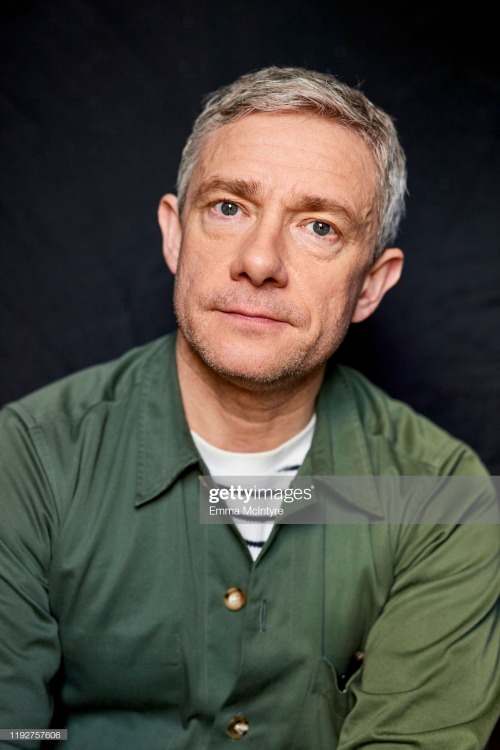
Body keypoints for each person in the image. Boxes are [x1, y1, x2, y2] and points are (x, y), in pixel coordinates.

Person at [0, 66, 498, 750]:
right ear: (175, 235)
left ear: (370, 286)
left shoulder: (444, 497)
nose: (259, 261)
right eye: (229, 207)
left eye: (319, 226)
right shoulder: (25, 459)